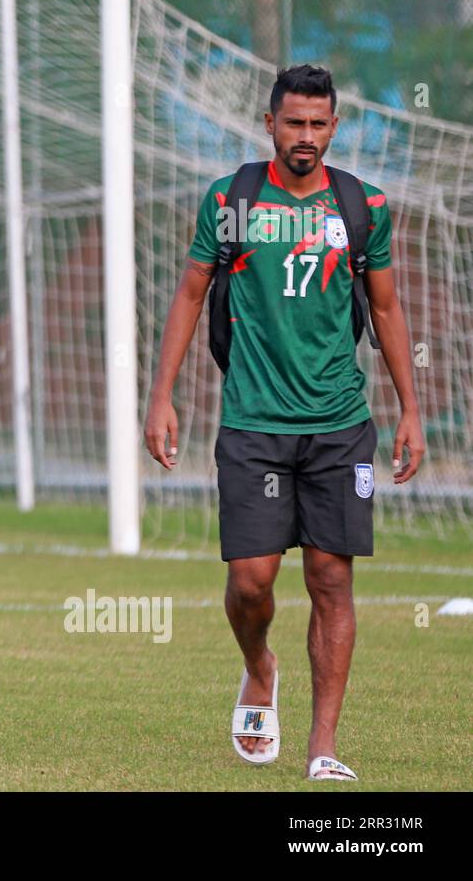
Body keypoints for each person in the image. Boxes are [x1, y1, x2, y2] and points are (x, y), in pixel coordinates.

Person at [144, 65, 425, 782]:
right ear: (269, 124)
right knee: (251, 582)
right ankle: (259, 667)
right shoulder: (231, 200)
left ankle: (322, 746)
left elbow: (387, 310)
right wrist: (161, 395)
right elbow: (189, 293)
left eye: (318, 124)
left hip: (339, 422)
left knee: (331, 577)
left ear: (335, 126)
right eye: (293, 123)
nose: (306, 137)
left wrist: (411, 410)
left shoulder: (363, 206)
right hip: (253, 421)